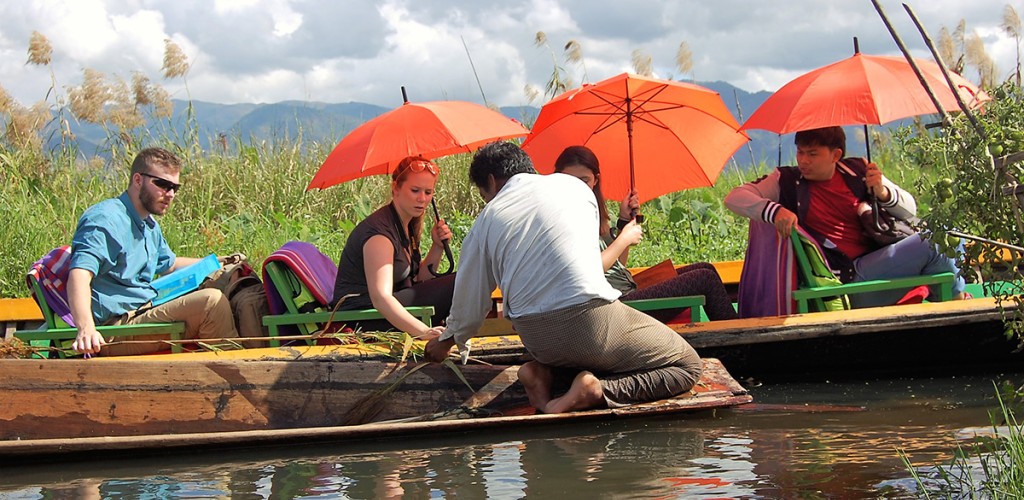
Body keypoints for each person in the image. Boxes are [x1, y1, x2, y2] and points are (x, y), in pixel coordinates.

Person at [424, 141, 703, 414]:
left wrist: (446, 342)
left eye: (485, 194)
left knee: (582, 351)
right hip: (590, 322)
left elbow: (470, 306)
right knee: (687, 365)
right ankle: (596, 391)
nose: (488, 200)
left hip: (535, 338)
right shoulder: (575, 188)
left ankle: (542, 374)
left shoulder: (485, 220)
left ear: (492, 181)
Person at [724, 126, 966, 308]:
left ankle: (948, 304)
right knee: (938, 240)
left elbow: (910, 210)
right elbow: (734, 197)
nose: (803, 160)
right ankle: (956, 305)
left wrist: (881, 191)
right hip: (846, 283)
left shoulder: (858, 170)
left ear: (835, 154)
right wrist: (775, 210)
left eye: (812, 154)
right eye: (800, 152)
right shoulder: (786, 181)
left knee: (946, 234)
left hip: (877, 263)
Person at [69, 147, 238, 356]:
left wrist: (222, 263)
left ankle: (259, 362)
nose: (171, 194)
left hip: (145, 310)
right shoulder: (106, 219)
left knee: (237, 288)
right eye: (163, 185)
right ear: (138, 180)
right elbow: (79, 275)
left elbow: (170, 265)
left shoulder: (148, 224)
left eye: (175, 187)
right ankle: (234, 376)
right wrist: (86, 329)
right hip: (116, 327)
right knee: (211, 302)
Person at [553, 145, 738, 321]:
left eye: (584, 180)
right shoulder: (560, 217)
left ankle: (737, 332)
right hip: (613, 307)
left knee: (706, 268)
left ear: (596, 180)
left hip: (626, 289)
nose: (577, 186)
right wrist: (623, 240)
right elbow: (589, 270)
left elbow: (618, 266)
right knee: (703, 279)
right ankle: (740, 342)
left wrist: (623, 221)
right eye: (570, 180)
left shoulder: (593, 210)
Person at [332, 156, 456, 339]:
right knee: (460, 282)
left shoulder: (407, 225)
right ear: (395, 188)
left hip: (386, 310)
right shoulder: (379, 235)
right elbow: (381, 298)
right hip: (364, 318)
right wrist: (423, 332)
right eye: (415, 190)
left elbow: (420, 280)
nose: (422, 199)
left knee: (464, 280)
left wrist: (437, 247)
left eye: (428, 192)